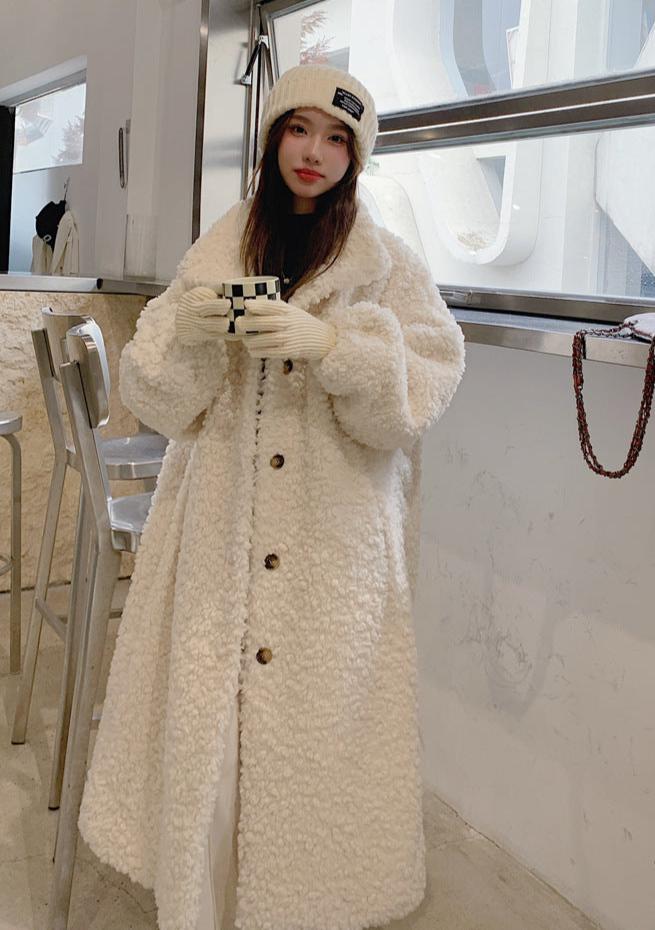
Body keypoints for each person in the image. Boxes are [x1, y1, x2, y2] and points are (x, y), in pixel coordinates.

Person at [78, 64, 465, 930]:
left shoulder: (386, 263)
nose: (314, 152)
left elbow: (423, 391)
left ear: (356, 158)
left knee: (315, 732)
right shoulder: (219, 250)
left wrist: (334, 347)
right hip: (219, 513)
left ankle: (310, 901)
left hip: (335, 532)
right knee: (212, 716)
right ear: (271, 137)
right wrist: (193, 336)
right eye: (298, 129)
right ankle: (209, 899)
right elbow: (157, 396)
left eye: (337, 139)